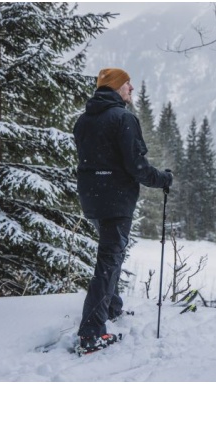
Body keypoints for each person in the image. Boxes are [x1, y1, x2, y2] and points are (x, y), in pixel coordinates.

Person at [73, 68, 173, 353]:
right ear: (116, 86)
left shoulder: (83, 120)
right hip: (116, 200)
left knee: (111, 255)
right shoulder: (123, 118)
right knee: (109, 260)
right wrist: (163, 179)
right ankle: (91, 333)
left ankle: (111, 308)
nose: (132, 88)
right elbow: (136, 166)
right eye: (128, 83)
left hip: (91, 199)